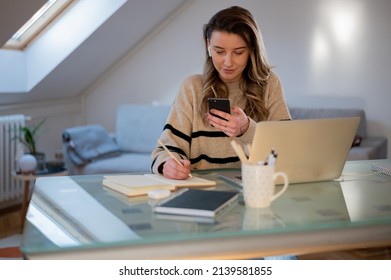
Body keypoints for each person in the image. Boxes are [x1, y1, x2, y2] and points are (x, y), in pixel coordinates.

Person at [151, 6, 291, 180]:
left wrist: (247, 128)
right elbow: (165, 150)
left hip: (254, 189)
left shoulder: (269, 84)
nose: (228, 62)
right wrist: (168, 165)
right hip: (201, 192)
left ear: (251, 50)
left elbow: (287, 148)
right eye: (219, 51)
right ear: (208, 47)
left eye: (238, 52)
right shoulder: (192, 87)